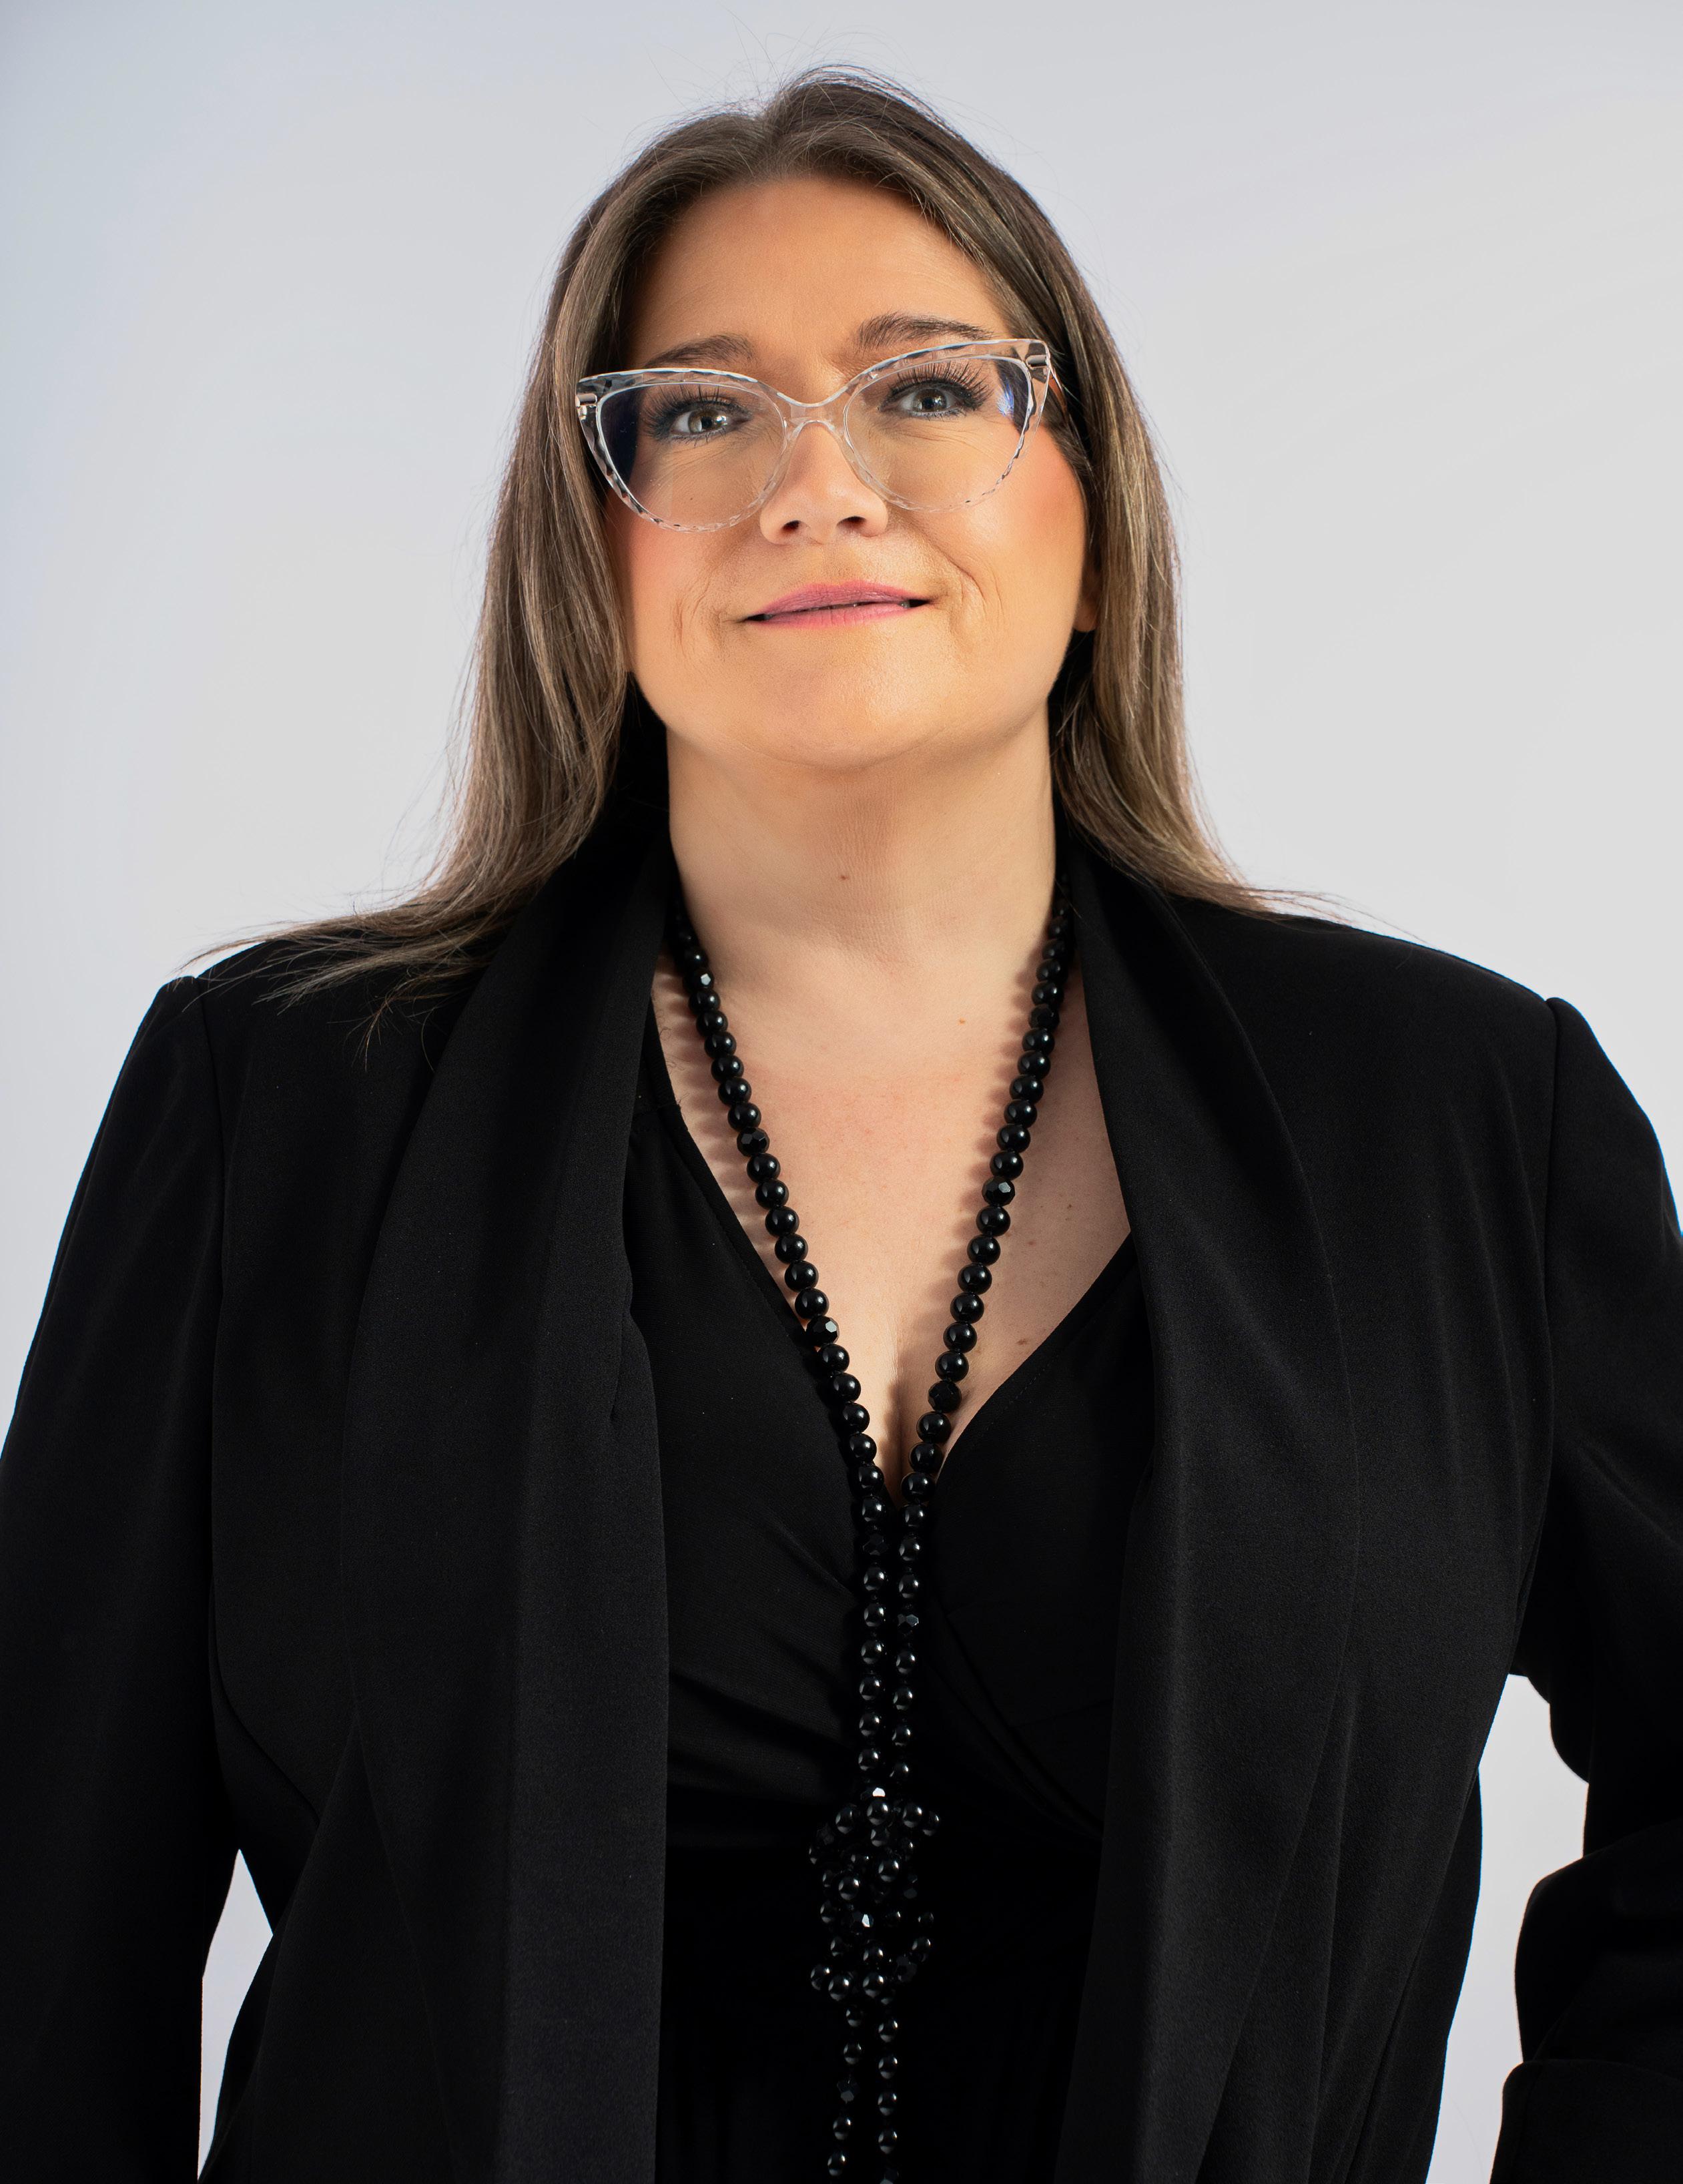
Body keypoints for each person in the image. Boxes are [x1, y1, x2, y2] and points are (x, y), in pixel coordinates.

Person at [1, 64, 1679, 2184]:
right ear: (590, 553)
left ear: (1093, 518)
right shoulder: (274, 1108)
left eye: (927, 391)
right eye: (701, 413)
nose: (815, 486)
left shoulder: (1464, 1120)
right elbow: (43, 1942)